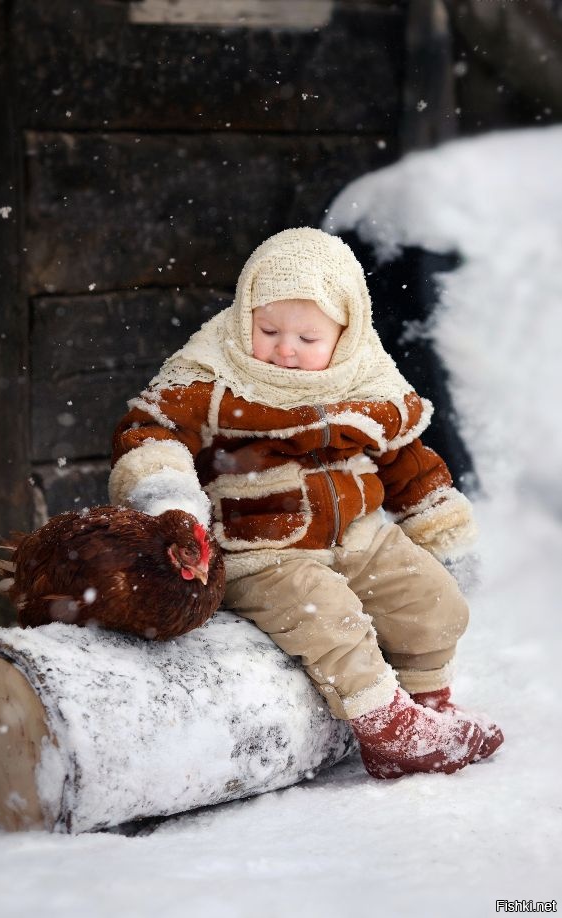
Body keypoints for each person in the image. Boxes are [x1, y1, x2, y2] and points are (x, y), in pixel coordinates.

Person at [109, 227, 503, 779]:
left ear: (345, 337)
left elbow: (409, 465)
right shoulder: (216, 378)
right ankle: (388, 728)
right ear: (245, 313)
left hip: (360, 535)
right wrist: (167, 493)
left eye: (308, 339)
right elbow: (151, 430)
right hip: (263, 548)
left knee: (432, 598)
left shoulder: (363, 381)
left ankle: (429, 705)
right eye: (268, 329)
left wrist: (440, 526)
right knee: (328, 615)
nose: (285, 350)